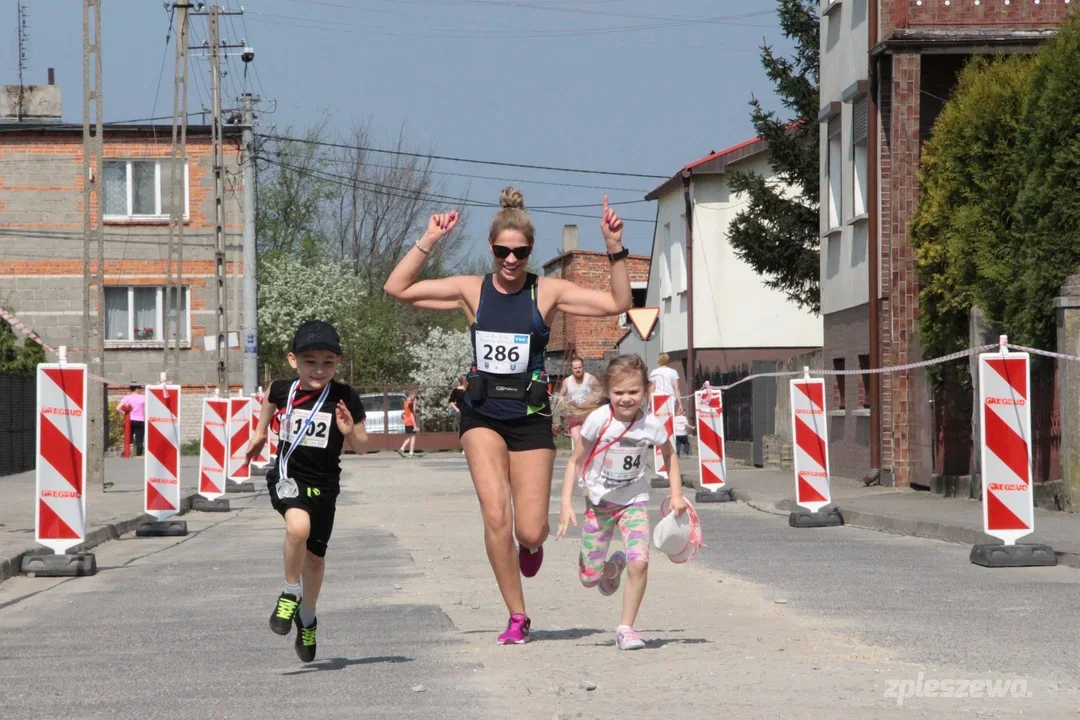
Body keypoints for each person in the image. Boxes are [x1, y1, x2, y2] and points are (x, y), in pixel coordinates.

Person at [384, 187, 632, 645]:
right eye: (503, 251)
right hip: (481, 416)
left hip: (530, 419)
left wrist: (615, 247)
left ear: (530, 252)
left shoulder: (547, 291)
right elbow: (396, 288)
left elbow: (617, 304)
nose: (511, 260)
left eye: (520, 252)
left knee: (530, 527)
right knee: (495, 514)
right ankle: (517, 615)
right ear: (493, 249)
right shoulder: (470, 290)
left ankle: (530, 545)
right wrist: (429, 239)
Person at [246, 320, 369, 663]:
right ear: (292, 360)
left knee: (315, 559)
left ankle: (308, 617)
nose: (318, 369)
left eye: (327, 362)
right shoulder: (282, 389)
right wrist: (257, 437)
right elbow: (269, 403)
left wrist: (348, 430)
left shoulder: (345, 397)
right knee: (297, 528)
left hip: (325, 484)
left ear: (337, 363)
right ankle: (289, 592)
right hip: (288, 475)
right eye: (310, 361)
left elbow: (361, 446)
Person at [556, 354, 686, 650]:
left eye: (634, 392)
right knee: (589, 577)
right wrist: (566, 503)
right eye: (619, 393)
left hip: (634, 502)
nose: (626, 399)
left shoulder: (651, 425)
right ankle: (612, 568)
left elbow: (670, 454)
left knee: (639, 564)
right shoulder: (598, 420)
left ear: (646, 390)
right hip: (599, 504)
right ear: (608, 392)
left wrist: (676, 493)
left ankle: (626, 629)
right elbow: (575, 460)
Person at [558, 357, 600, 450]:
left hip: (588, 416)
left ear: (583, 367)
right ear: (572, 369)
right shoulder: (567, 381)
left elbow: (600, 393)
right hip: (574, 416)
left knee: (588, 442)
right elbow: (561, 395)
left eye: (579, 367)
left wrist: (591, 399)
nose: (578, 370)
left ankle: (588, 461)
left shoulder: (590, 379)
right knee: (577, 441)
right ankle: (579, 462)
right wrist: (566, 404)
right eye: (575, 368)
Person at [117, 384, 145, 457]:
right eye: (140, 388)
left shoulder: (127, 398)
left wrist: (125, 414)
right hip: (140, 420)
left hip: (130, 420)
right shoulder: (143, 398)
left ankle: (127, 453)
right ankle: (139, 454)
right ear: (136, 389)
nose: (141, 390)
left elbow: (118, 408)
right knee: (140, 439)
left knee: (129, 438)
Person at [399, 391, 418, 458]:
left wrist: (414, 404)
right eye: (414, 396)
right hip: (410, 422)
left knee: (410, 437)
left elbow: (410, 412)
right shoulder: (410, 404)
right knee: (413, 438)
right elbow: (412, 414)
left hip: (407, 422)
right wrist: (415, 426)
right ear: (410, 395)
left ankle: (402, 449)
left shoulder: (406, 403)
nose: (414, 398)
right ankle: (411, 453)